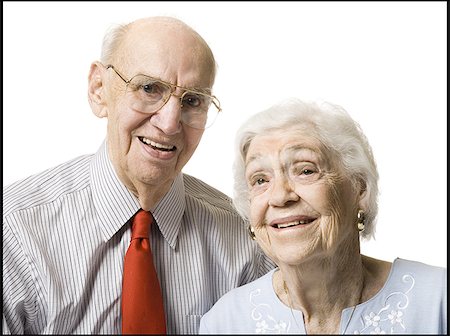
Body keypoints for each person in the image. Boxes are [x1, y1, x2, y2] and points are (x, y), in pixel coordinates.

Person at [2, 16, 275, 334]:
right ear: (99, 88)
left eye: (192, 101)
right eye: (149, 88)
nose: (170, 123)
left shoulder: (245, 239)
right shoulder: (15, 230)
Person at [199, 98, 447, 334]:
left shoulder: (438, 300)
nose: (279, 196)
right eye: (260, 180)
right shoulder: (224, 322)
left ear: (359, 188)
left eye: (305, 171)